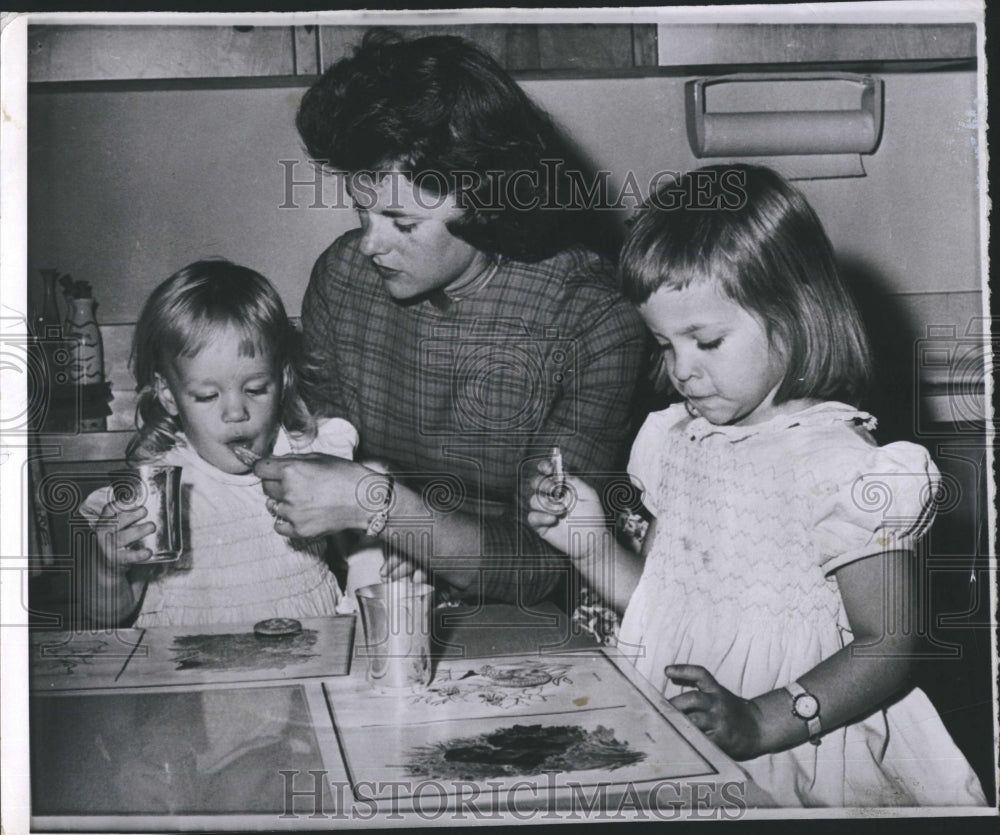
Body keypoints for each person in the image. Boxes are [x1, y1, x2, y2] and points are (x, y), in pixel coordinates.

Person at [528, 165, 986, 806]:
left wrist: (765, 718)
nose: (682, 370)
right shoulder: (679, 442)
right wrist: (588, 545)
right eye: (664, 344)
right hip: (694, 734)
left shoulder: (844, 467)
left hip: (804, 748)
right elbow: (666, 606)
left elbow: (891, 644)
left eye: (706, 341)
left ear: (794, 313)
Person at [254, 30, 647, 608]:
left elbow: (542, 562)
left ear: (484, 202)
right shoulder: (342, 281)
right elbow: (317, 454)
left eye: (403, 223)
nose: (368, 245)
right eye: (362, 211)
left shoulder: (591, 321)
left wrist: (379, 505)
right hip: (370, 595)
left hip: (519, 624)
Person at [79, 259, 358, 627]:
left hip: (305, 664)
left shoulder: (308, 458)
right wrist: (107, 570)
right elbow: (109, 612)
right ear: (167, 394)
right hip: (189, 672)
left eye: (256, 389)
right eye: (208, 396)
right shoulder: (155, 490)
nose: (235, 412)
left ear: (283, 379)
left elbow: (363, 553)